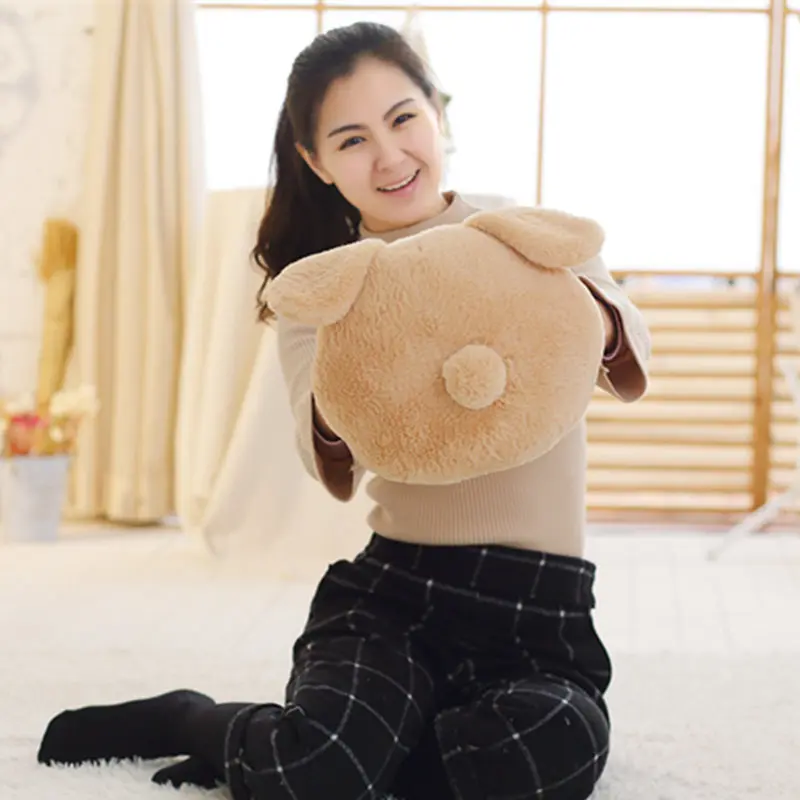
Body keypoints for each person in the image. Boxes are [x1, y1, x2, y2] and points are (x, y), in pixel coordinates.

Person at [36, 21, 651, 800]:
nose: (389, 156)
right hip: (398, 599)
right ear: (316, 162)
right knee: (318, 769)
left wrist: (581, 315)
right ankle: (199, 720)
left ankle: (375, 746)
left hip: (537, 615)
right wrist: (366, 350)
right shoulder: (324, 287)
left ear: (438, 113)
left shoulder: (528, 239)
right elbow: (325, 455)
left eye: (403, 119)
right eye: (352, 140)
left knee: (544, 753)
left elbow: (630, 352)